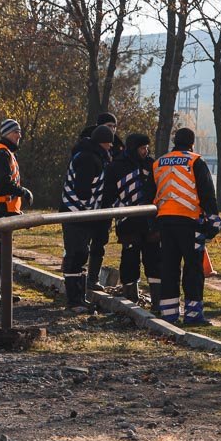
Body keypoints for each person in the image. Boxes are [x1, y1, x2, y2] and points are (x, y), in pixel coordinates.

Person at [152, 127, 221, 325]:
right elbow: (207, 192)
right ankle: (193, 314)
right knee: (193, 268)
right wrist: (213, 221)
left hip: (165, 221)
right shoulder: (195, 161)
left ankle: (169, 314)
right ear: (192, 143)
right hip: (190, 222)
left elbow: (153, 191)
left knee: (169, 268)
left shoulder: (159, 162)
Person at [60, 125, 114, 311]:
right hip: (77, 214)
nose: (110, 149)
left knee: (81, 254)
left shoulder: (88, 155)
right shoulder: (89, 159)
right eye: (109, 145)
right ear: (104, 143)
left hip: (80, 214)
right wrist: (91, 205)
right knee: (76, 256)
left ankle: (79, 298)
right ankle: (74, 300)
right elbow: (83, 190)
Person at [0, 119, 33, 307]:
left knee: (3, 254)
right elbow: (3, 186)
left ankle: (0, 293)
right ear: (7, 133)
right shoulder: (2, 154)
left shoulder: (4, 152)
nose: (19, 135)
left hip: (1, 208)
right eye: (16, 132)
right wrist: (24, 192)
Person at [103, 132, 159, 304]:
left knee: (154, 259)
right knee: (130, 258)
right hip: (127, 221)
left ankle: (157, 299)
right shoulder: (117, 166)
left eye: (147, 148)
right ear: (134, 148)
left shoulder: (152, 165)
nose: (146, 151)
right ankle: (130, 296)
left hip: (150, 221)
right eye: (142, 148)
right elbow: (109, 195)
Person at [87, 112, 121, 287]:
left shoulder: (117, 148)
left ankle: (92, 278)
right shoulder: (87, 146)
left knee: (100, 242)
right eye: (109, 126)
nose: (112, 130)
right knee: (83, 242)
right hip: (89, 202)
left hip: (107, 202)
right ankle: (79, 277)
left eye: (114, 127)